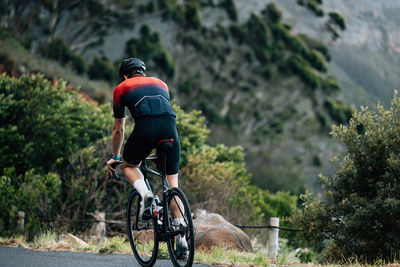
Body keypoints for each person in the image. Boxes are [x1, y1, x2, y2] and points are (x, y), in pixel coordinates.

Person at [106, 58, 187, 252]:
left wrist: (116, 156)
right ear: (143, 72)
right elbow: (161, 112)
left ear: (125, 75)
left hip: (145, 129)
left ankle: (146, 195)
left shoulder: (121, 88)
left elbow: (118, 129)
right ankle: (182, 240)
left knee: (130, 165)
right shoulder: (161, 83)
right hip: (170, 130)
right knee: (172, 186)